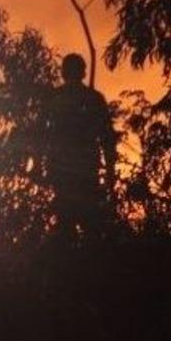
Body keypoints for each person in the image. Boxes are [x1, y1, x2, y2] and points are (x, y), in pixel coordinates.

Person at [43, 53, 119, 239]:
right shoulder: (92, 98)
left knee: (68, 224)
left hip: (66, 170)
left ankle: (74, 261)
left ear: (63, 73)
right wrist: (110, 172)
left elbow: (40, 135)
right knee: (87, 224)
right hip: (81, 169)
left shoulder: (57, 98)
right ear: (83, 73)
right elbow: (107, 138)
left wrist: (38, 165)